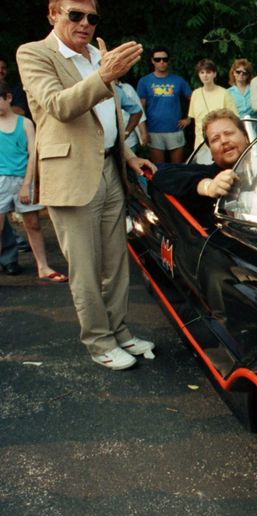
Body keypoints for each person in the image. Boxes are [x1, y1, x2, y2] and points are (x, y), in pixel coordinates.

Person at [17, 0, 158, 370]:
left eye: (92, 17)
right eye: (74, 15)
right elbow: (59, 106)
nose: (85, 24)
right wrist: (104, 75)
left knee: (116, 262)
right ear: (52, 14)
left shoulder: (100, 53)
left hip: (110, 168)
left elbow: (109, 115)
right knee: (85, 266)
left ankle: (119, 332)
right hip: (70, 174)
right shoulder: (34, 53)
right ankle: (99, 342)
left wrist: (128, 155)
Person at [0, 79, 68, 283]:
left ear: (8, 98)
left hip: (24, 177)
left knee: (33, 224)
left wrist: (26, 183)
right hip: (1, 180)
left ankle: (43, 266)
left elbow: (33, 154)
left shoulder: (25, 122)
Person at [152, 109, 244, 217]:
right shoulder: (207, 173)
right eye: (215, 139)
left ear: (246, 137)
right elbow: (160, 173)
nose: (224, 141)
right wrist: (207, 186)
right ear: (211, 152)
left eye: (228, 133)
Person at [137, 46, 191, 163]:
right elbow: (140, 108)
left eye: (164, 59)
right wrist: (143, 131)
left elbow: (194, 100)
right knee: (159, 170)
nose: (161, 62)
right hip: (154, 131)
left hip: (175, 130)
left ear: (168, 61)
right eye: (158, 59)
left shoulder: (178, 80)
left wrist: (189, 119)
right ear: (152, 61)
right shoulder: (144, 81)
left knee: (177, 168)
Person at [187, 58, 237, 147]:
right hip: (200, 144)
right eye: (202, 72)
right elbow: (195, 120)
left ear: (214, 74)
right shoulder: (195, 94)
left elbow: (234, 118)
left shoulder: (224, 93)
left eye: (208, 72)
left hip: (221, 142)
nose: (205, 75)